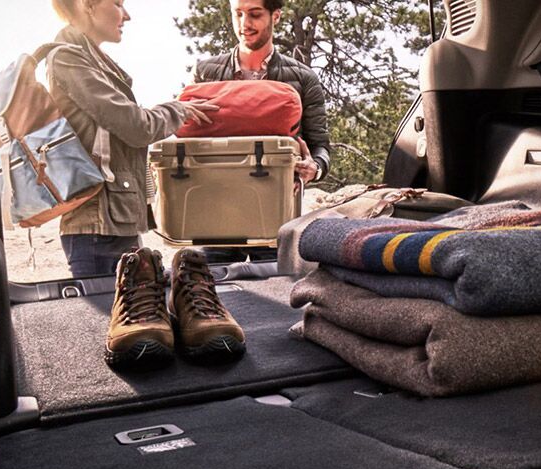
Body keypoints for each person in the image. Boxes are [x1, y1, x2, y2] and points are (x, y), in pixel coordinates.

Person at [49, 0, 218, 277]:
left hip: (115, 220)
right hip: (97, 228)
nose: (126, 15)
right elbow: (136, 126)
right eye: (117, 4)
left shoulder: (91, 59)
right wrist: (179, 108)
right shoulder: (68, 58)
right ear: (88, 5)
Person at [193, 0, 331, 263]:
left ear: (275, 16)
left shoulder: (302, 78)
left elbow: (320, 146)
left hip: (275, 217)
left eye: (255, 14)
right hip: (216, 214)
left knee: (274, 298)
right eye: (238, 14)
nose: (245, 24)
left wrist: (316, 166)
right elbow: (192, 140)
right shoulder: (206, 73)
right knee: (213, 295)